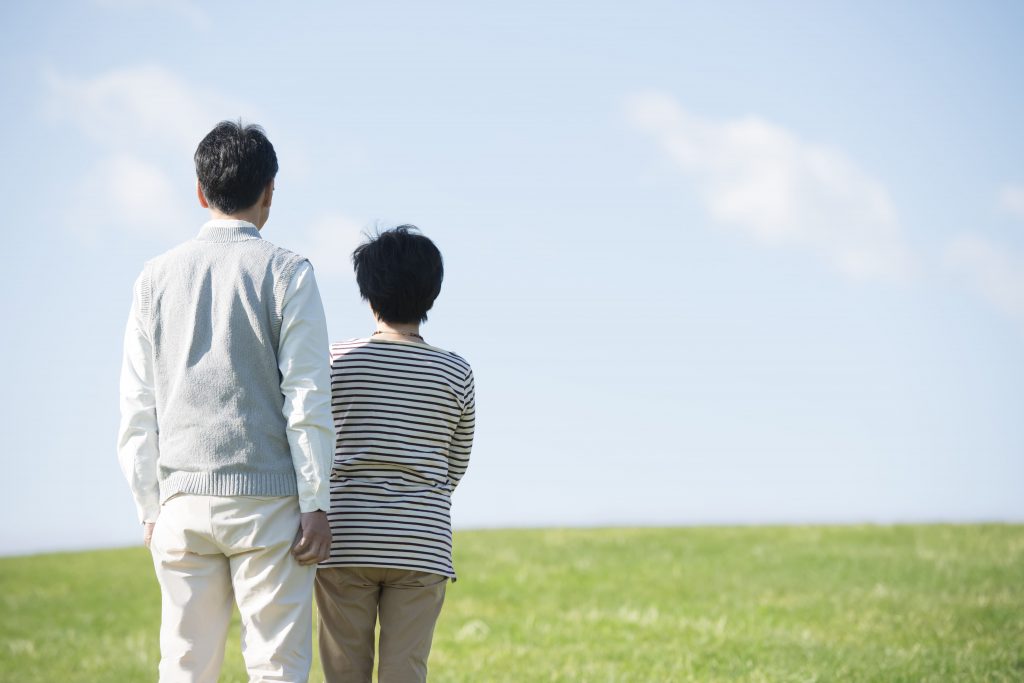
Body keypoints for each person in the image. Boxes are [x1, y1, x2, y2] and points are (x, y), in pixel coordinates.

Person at [117, 120, 335, 683]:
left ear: (200, 191)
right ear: (269, 192)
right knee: (276, 667)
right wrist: (316, 500)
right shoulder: (289, 273)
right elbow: (307, 395)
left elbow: (138, 403)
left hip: (182, 501)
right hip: (270, 504)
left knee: (185, 667)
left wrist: (149, 505)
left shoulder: (153, 278)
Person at [315, 226, 476, 683]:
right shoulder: (456, 371)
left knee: (344, 671)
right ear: (432, 293)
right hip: (422, 541)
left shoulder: (334, 360)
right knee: (406, 671)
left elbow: (313, 442)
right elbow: (456, 462)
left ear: (369, 294)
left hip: (344, 536)